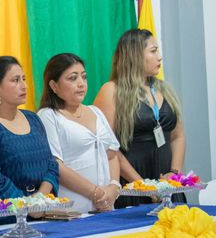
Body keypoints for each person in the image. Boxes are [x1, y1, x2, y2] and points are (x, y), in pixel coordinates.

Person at [94, 29, 186, 207]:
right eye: (153, 51)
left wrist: (174, 175)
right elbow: (108, 147)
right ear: (134, 55)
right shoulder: (111, 91)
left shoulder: (164, 89)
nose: (159, 57)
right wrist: (143, 186)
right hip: (132, 187)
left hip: (167, 187)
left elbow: (178, 135)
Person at [0, 56, 59, 227]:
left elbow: (51, 165)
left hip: (42, 217)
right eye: (16, 80)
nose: (24, 86)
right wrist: (27, 205)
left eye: (24, 79)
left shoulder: (33, 119)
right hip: (2, 224)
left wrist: (40, 198)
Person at [38, 53, 121, 213]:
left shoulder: (95, 111)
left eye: (84, 77)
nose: (81, 84)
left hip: (105, 206)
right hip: (72, 209)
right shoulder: (48, 115)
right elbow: (56, 165)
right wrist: (95, 193)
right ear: (54, 86)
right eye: (73, 78)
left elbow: (112, 155)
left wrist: (113, 187)